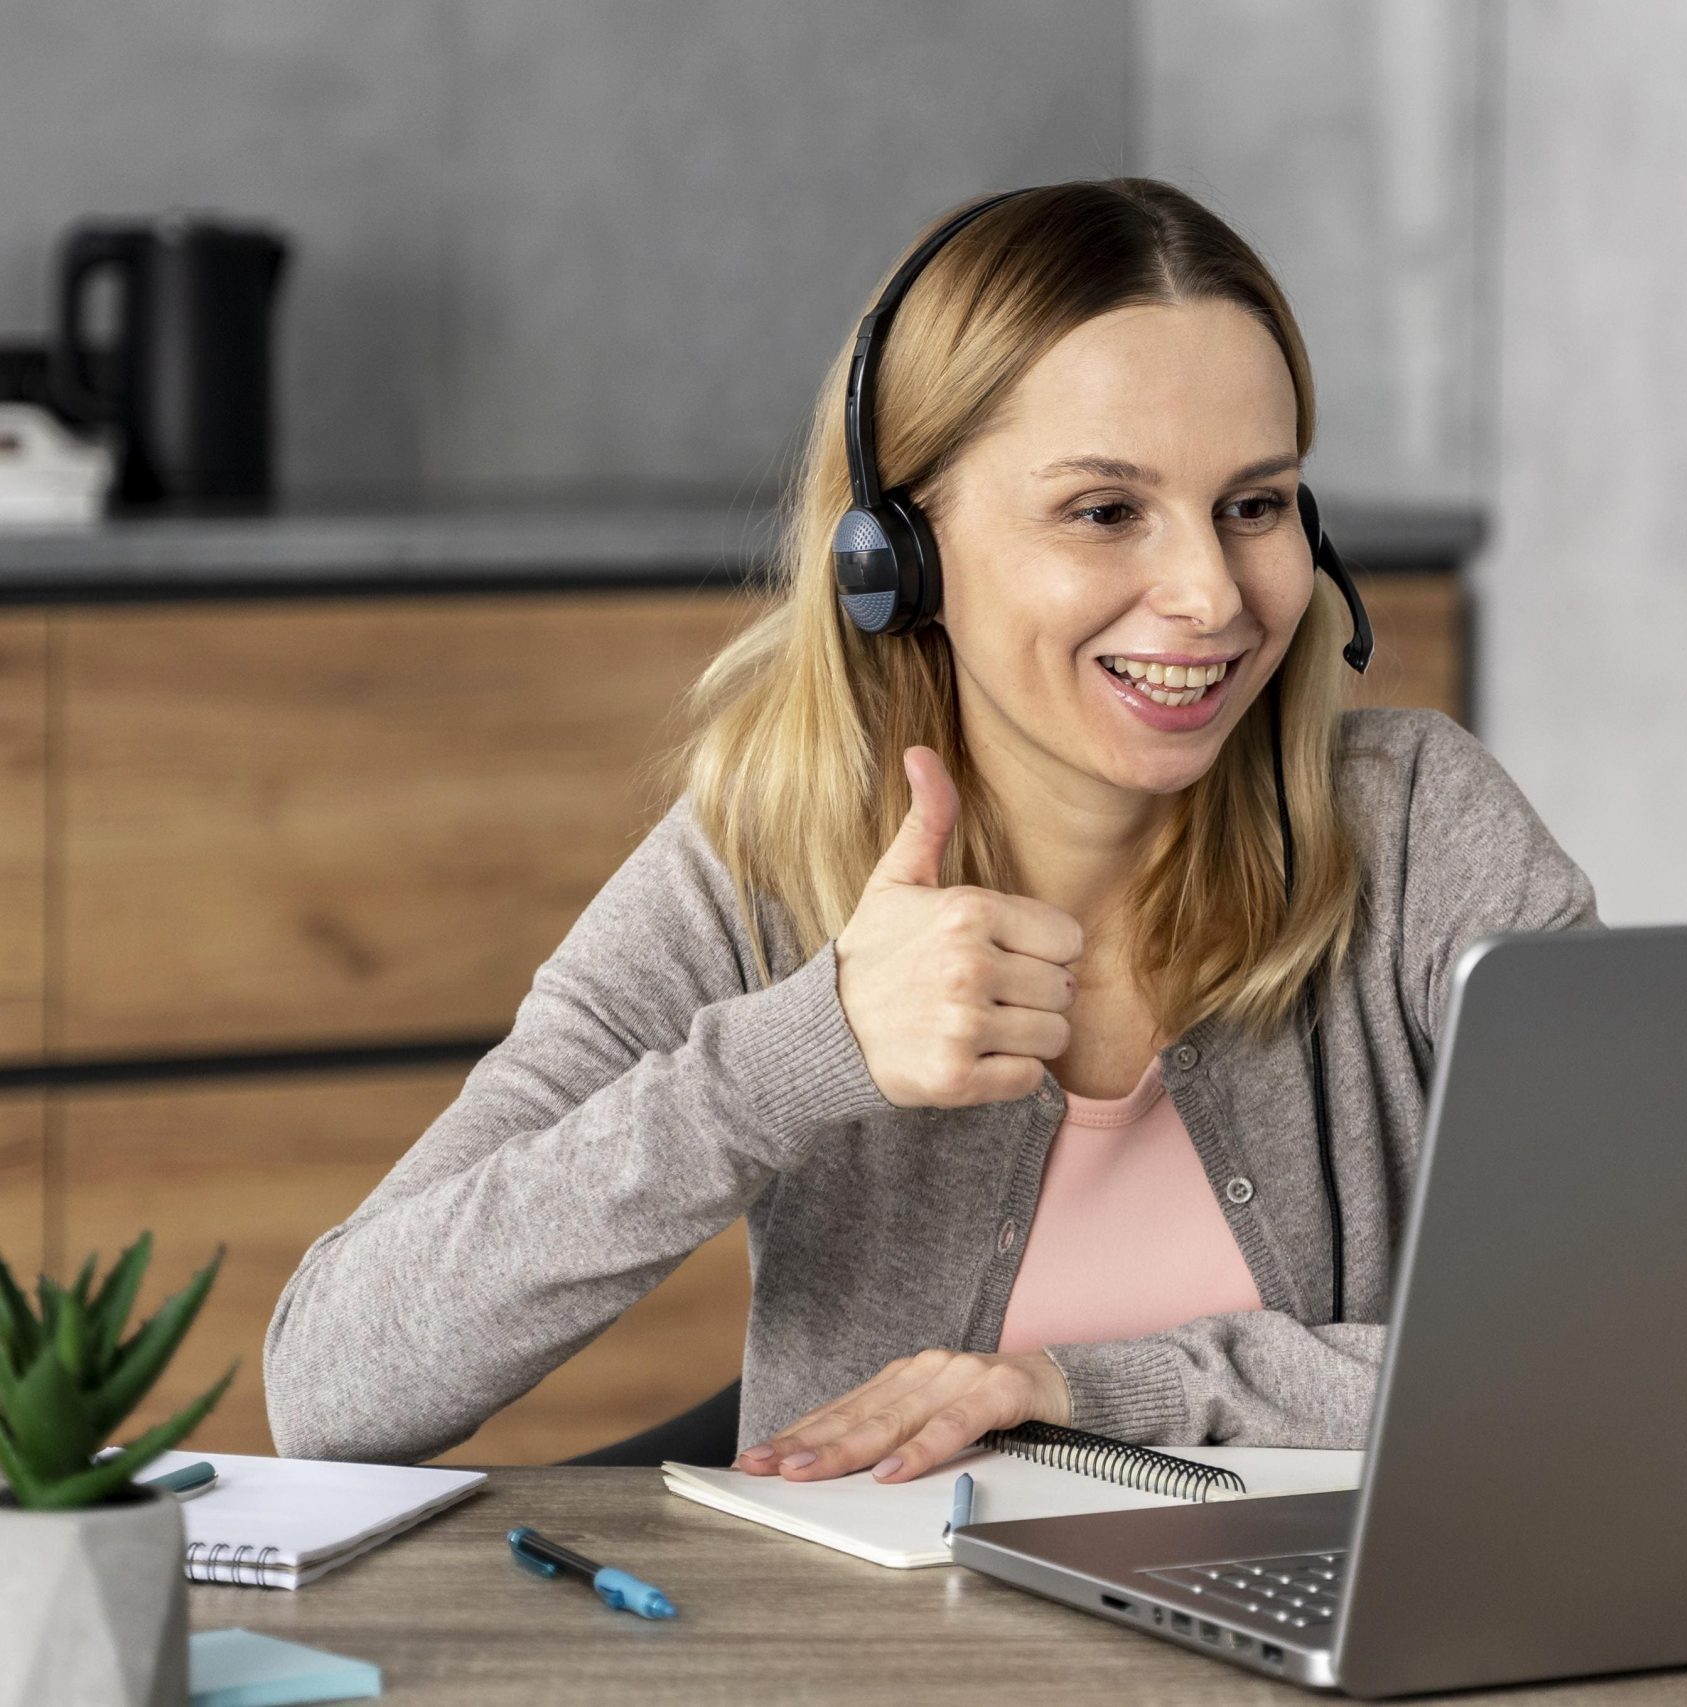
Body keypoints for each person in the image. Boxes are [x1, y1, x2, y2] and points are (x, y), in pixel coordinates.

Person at [262, 177, 1600, 1480]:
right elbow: (331, 1385)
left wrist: (1095, 1390)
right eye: (1104, 510)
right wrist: (800, 1055)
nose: (1210, 593)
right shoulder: (760, 873)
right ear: (897, 554)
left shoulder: (1421, 828)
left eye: (1252, 506)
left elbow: (1625, 1327)